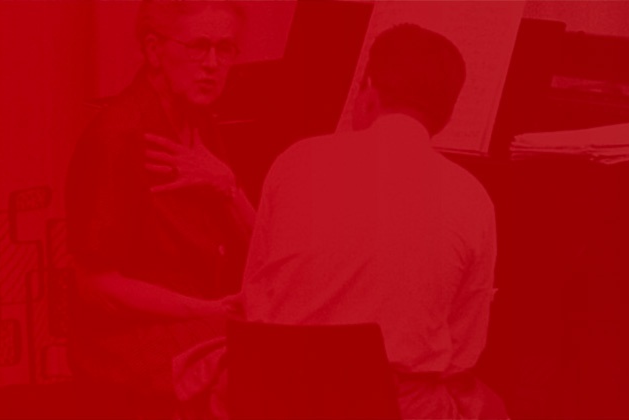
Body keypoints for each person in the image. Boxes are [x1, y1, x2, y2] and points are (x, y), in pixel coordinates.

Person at [175, 23, 504, 419]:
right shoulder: (474, 198)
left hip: (276, 393)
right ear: (447, 117)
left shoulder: (296, 160)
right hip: (383, 407)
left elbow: (257, 297)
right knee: (488, 404)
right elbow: (463, 353)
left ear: (368, 92)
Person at [65, 0, 253, 407]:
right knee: (259, 371)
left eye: (225, 48)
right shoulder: (118, 136)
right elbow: (95, 286)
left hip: (198, 321)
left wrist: (227, 185)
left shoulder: (200, 121)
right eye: (198, 46)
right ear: (154, 50)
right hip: (127, 341)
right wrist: (204, 310)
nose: (212, 64)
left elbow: (261, 247)